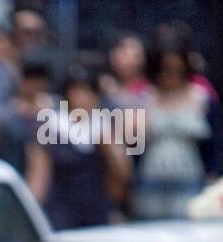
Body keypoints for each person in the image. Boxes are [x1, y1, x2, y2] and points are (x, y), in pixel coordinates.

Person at [26, 65, 129, 230]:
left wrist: (110, 148)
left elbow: (121, 175)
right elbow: (39, 178)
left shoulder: (105, 127)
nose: (80, 98)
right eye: (74, 92)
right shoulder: (50, 127)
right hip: (60, 212)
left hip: (97, 211)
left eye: (86, 92)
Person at [131, 37, 217, 220]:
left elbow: (215, 143)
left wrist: (214, 175)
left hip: (190, 178)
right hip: (150, 179)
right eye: (165, 70)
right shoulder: (143, 98)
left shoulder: (201, 97)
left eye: (176, 70)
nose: (170, 76)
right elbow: (133, 145)